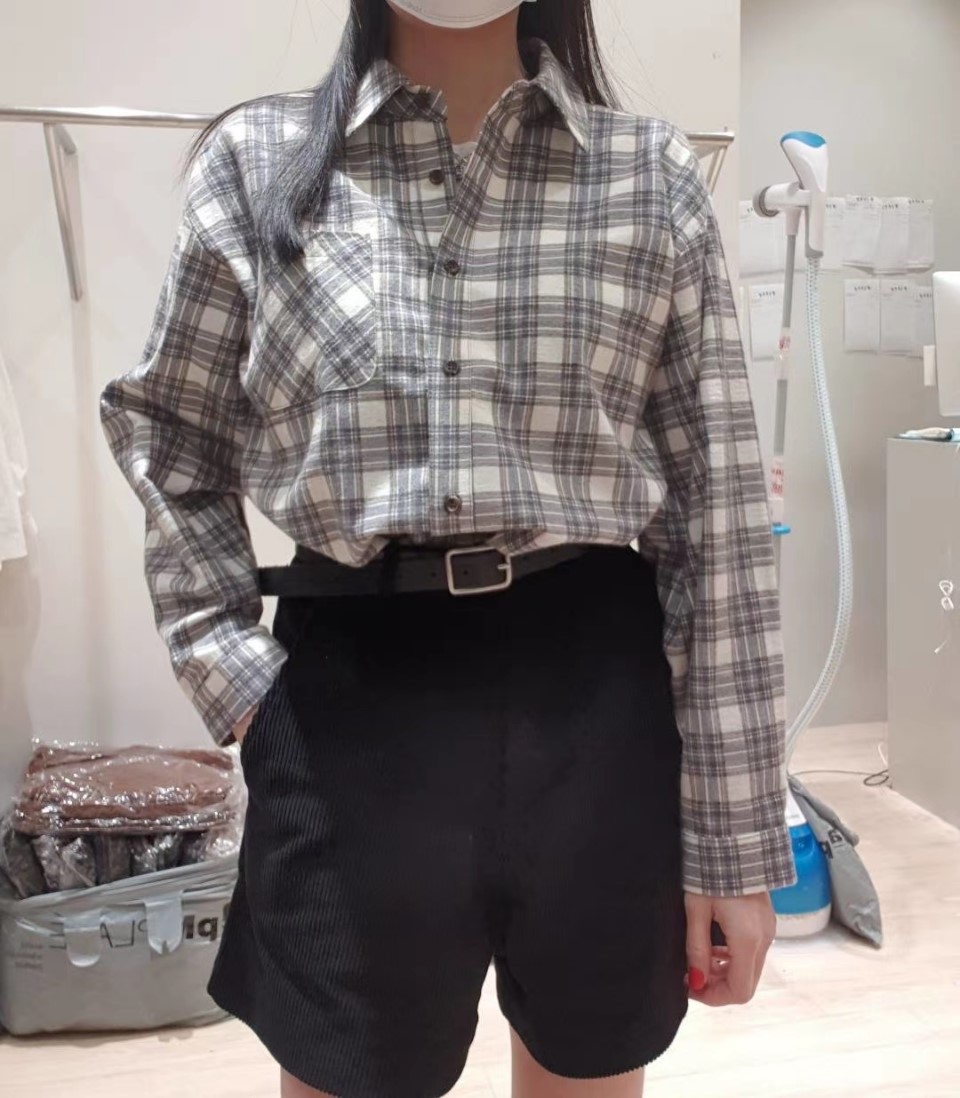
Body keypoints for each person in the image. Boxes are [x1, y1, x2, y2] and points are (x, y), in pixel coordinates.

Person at [99, 1, 798, 1095]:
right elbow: (170, 434)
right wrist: (229, 671)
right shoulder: (259, 163)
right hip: (349, 698)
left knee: (587, 1064)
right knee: (350, 1073)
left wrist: (734, 840)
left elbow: (715, 519)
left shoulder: (647, 174)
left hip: (595, 693)